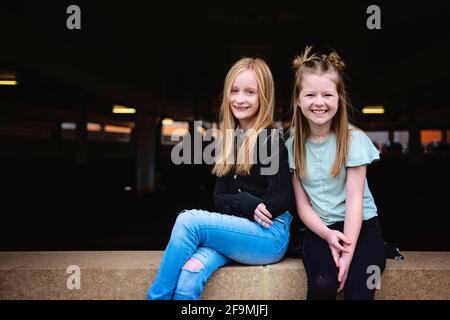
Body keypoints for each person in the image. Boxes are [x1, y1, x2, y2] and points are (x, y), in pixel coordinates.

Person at [147, 57, 294, 300]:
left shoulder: (270, 139)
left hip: (269, 237)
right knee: (190, 275)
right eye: (234, 91)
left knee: (188, 222)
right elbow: (219, 197)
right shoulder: (231, 140)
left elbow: (281, 198)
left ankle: (156, 298)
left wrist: (242, 203)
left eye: (249, 92)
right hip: (239, 232)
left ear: (263, 97)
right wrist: (246, 203)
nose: (239, 99)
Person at [286, 46, 386, 300]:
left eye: (327, 95)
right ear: (298, 99)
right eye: (310, 95)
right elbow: (303, 206)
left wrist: (347, 254)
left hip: (361, 228)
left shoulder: (354, 140)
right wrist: (328, 235)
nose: (319, 102)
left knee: (357, 291)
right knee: (323, 284)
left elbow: (354, 203)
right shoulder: (291, 146)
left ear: (339, 98)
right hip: (321, 228)